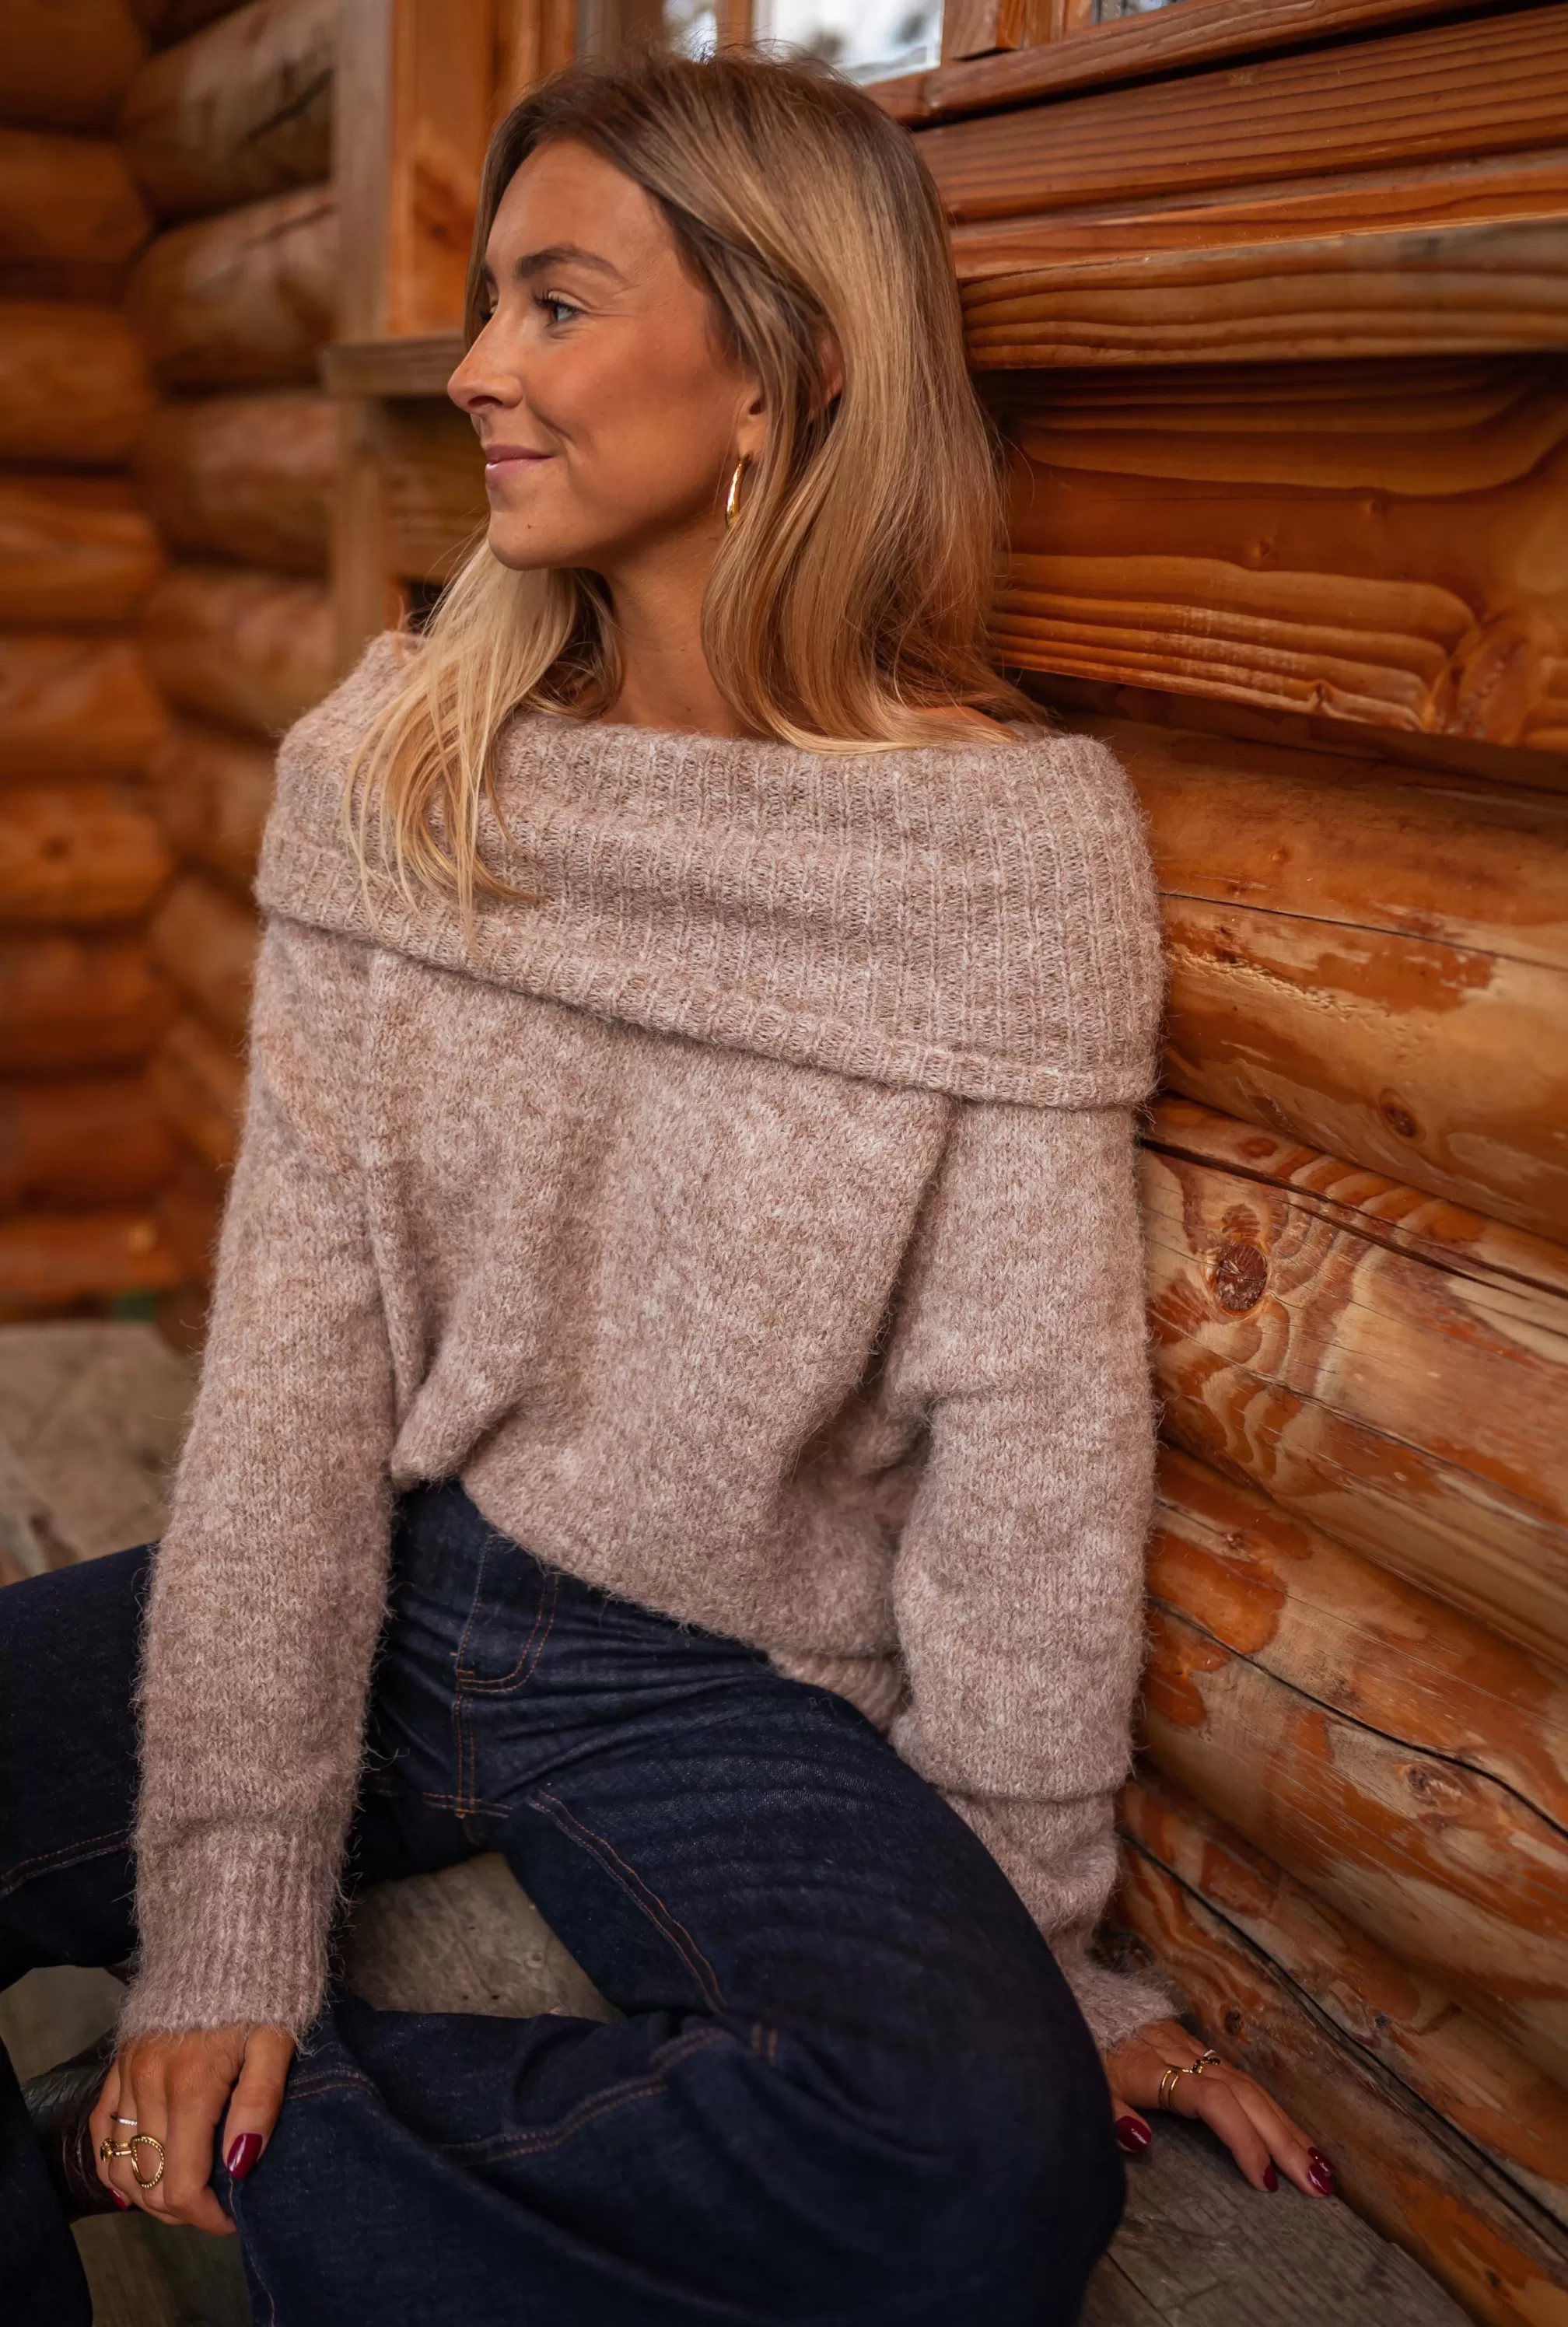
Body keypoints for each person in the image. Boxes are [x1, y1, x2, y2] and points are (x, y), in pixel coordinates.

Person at [0, 48, 1335, 2327]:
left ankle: (170, 2157)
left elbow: (1034, 1459)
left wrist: (1029, 1954)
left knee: (979, 2169)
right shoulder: (394, 779)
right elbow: (296, 1386)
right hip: (400, 1570)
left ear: (782, 369)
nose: (474, 369)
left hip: (728, 1683)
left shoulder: (1001, 865)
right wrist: (225, 1925)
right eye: (484, 303)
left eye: (554, 302)